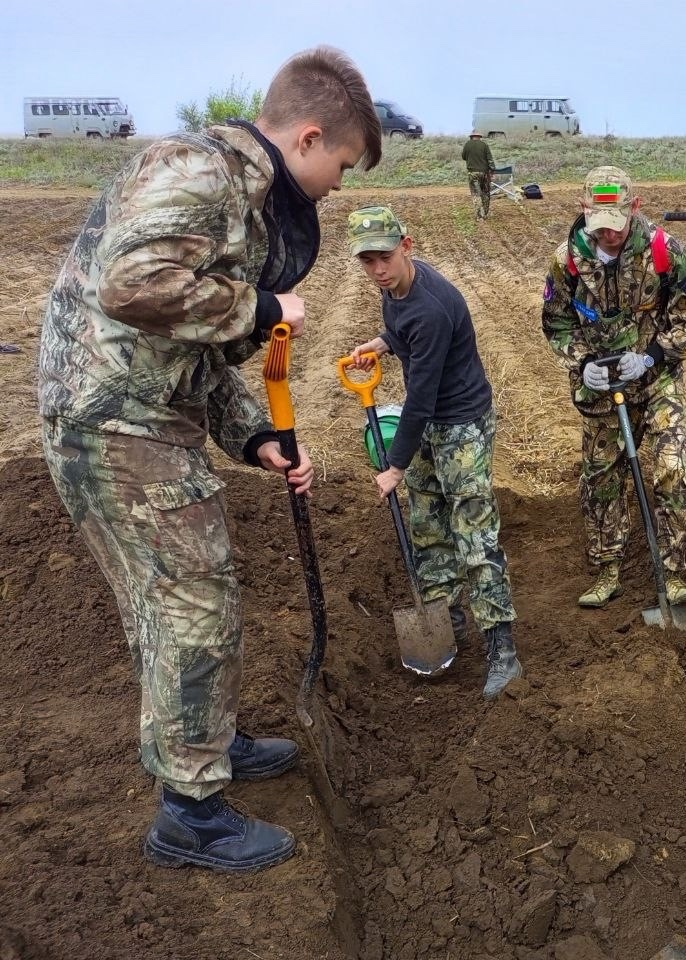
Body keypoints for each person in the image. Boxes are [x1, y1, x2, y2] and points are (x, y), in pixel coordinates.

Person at [37, 46, 382, 873]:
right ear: (307, 138)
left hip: (149, 413)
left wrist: (252, 436)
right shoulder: (198, 171)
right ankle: (189, 813)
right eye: (341, 164)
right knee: (192, 595)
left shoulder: (246, 196)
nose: (338, 186)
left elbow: (189, 345)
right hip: (114, 421)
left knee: (192, 589)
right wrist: (263, 303)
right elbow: (132, 285)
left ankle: (209, 739)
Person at [346, 206, 522, 699]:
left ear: (407, 244)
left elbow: (419, 399)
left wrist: (395, 466)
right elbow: (403, 335)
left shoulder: (429, 304)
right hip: (428, 420)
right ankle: (447, 619)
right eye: (367, 261)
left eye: (384, 256)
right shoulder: (395, 291)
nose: (377, 269)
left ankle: (502, 649)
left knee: (473, 530)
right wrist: (382, 343)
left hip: (460, 422)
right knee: (427, 523)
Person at [541, 165, 686, 608]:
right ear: (583, 210)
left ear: (634, 208)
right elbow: (555, 323)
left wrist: (652, 356)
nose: (608, 236)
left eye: (616, 226)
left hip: (656, 382)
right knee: (601, 478)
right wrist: (585, 363)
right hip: (601, 390)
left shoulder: (662, 252)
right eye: (600, 227)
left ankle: (671, 573)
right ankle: (607, 569)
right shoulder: (567, 261)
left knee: (671, 465)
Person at [462, 130, 495, 220]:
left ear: (471, 136)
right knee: (485, 193)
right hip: (484, 173)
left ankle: (478, 216)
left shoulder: (467, 144)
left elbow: (463, 157)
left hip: (473, 173)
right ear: (479, 136)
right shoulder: (484, 145)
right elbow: (490, 159)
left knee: (476, 194)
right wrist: (492, 171)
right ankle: (485, 213)